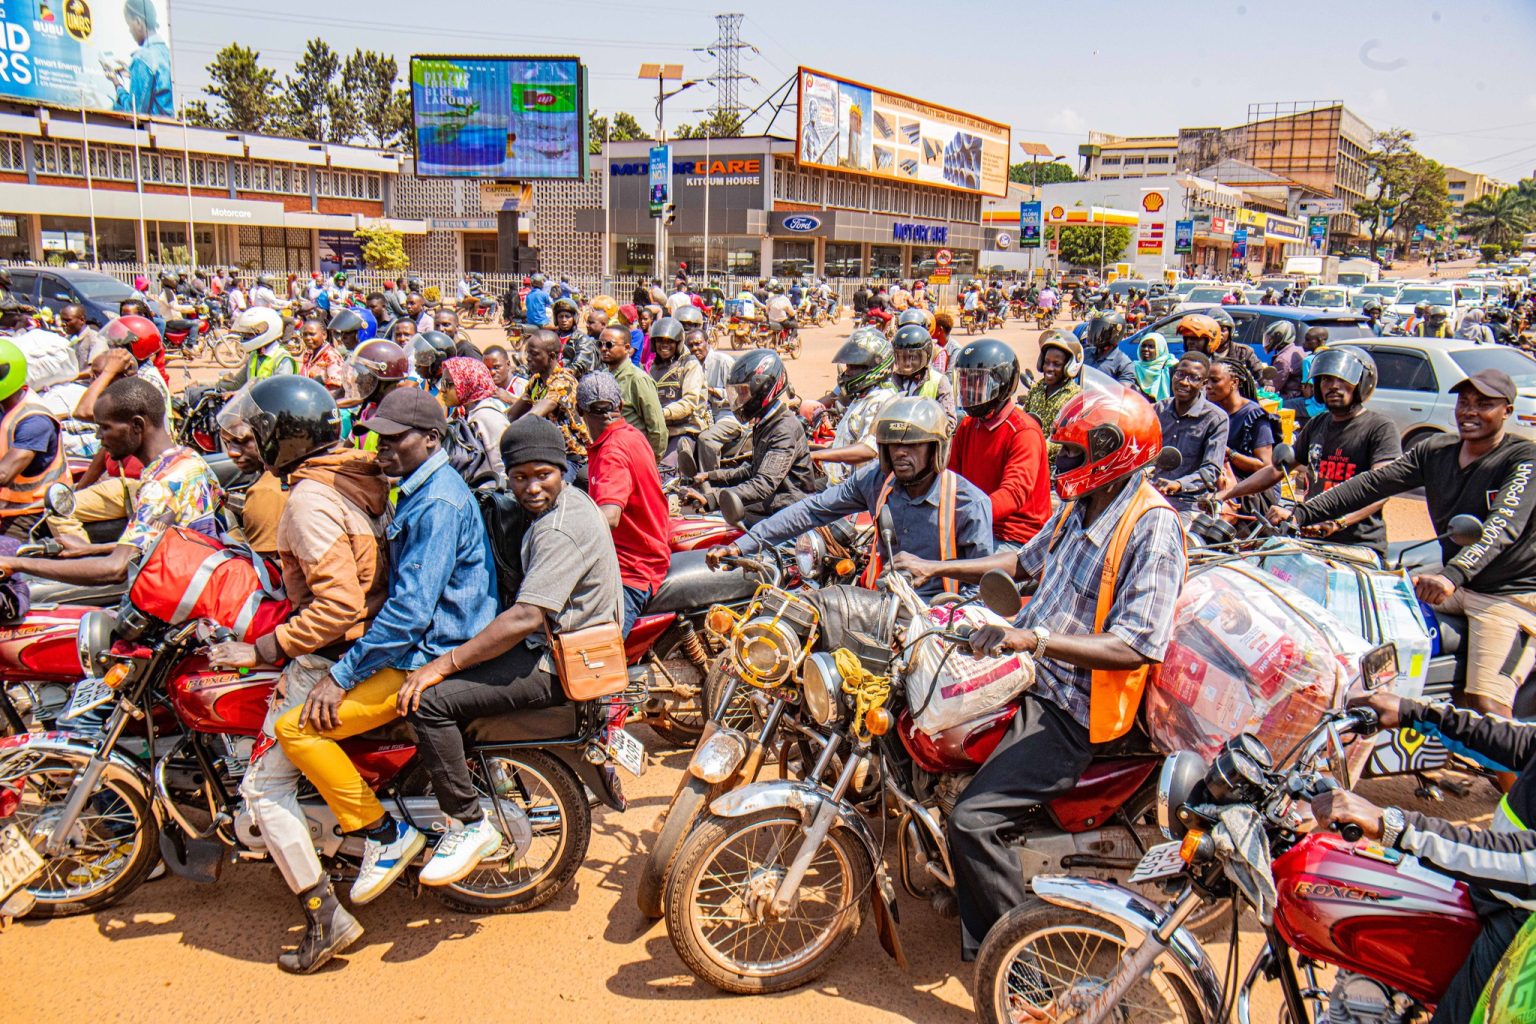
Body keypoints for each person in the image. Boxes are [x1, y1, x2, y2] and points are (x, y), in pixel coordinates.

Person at [889, 371, 1185, 959]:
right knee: (912, 719)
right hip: (1030, 672)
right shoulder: (1082, 504)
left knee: (974, 819)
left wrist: (1032, 639)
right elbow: (1022, 563)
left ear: (1110, 454)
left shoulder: (1150, 525)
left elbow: (1136, 645)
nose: (1062, 461)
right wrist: (934, 568)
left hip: (1075, 705)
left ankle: (1013, 957)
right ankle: (962, 883)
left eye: (1072, 451)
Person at [273, 387, 497, 906]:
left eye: (396, 439)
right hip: (422, 641)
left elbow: (410, 614)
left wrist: (341, 676)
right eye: (379, 436)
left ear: (431, 439)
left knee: (296, 731)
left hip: (429, 651)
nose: (382, 447)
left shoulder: (436, 501)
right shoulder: (417, 488)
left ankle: (383, 834)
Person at [205, 377, 389, 974]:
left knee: (262, 788)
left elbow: (337, 606)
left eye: (255, 436)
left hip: (327, 659)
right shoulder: (344, 476)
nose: (244, 447)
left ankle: (324, 916)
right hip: (359, 648)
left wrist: (262, 649)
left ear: (282, 437)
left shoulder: (309, 502)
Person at [392, 416, 620, 887]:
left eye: (543, 475)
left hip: (555, 663)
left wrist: (443, 664)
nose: (531, 487)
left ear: (563, 470)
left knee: (429, 702)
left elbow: (525, 617)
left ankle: (469, 823)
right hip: (557, 648)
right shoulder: (565, 507)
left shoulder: (559, 528)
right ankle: (486, 776)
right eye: (520, 477)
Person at [1275, 368, 1536, 718]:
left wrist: (1452, 575)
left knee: (1488, 706)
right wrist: (1302, 514)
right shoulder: (1436, 450)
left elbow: (1501, 527)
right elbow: (1372, 484)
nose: (1469, 412)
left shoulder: (1523, 459)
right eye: (1464, 402)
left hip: (1506, 594)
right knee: (1364, 625)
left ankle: (1516, 773)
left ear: (1506, 410)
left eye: (1484, 404)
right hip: (1455, 583)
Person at [1312, 688, 1536, 1024]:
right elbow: (1524, 744)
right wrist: (1413, 712)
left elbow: (1526, 864)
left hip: (1521, 919)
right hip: (1498, 889)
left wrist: (1394, 825)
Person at [708, 397, 993, 600]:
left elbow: (982, 586)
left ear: (936, 449)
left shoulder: (969, 504)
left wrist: (950, 617)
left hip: (935, 621)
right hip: (881, 603)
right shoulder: (877, 482)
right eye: (893, 446)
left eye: (913, 445)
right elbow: (811, 510)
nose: (901, 453)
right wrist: (743, 545)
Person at [0, 377, 219, 583]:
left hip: (174, 589)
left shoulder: (161, 486)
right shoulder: (189, 459)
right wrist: (91, 549)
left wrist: (16, 563)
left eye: (105, 427)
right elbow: (162, 543)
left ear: (137, 425)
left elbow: (117, 568)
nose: (98, 436)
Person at [1220, 348, 1400, 555]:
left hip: (1357, 544)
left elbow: (1383, 487)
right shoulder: (1318, 424)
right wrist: (1226, 494)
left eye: (1343, 380)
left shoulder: (1379, 427)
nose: (1333, 386)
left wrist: (1338, 523)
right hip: (1311, 538)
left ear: (1363, 384)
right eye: (1326, 380)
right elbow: (1276, 470)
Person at [576, 374, 670, 635]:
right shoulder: (632, 435)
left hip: (631, 571)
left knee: (597, 653)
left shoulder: (612, 452)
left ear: (579, 411)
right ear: (621, 404)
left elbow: (609, 515)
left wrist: (568, 529)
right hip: (638, 554)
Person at [682, 348, 819, 522]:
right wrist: (710, 476)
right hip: (771, 505)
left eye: (743, 393)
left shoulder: (783, 428)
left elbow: (764, 484)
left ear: (763, 388)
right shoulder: (765, 422)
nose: (739, 399)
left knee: (717, 529)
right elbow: (753, 470)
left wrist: (712, 499)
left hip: (790, 512)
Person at [948, 338, 1051, 548]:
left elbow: (1013, 494)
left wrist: (969, 513)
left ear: (1001, 384)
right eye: (965, 383)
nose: (969, 392)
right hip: (974, 525)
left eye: (978, 384)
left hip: (1014, 537)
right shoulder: (968, 425)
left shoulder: (1023, 432)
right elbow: (950, 479)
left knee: (966, 579)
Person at [812, 327, 898, 485]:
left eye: (854, 367)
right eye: (848, 366)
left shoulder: (881, 400)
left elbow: (868, 450)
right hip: (839, 482)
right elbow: (847, 441)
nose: (847, 372)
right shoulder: (861, 396)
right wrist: (811, 449)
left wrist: (818, 455)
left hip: (858, 490)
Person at [1151, 351, 1230, 521]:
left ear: (1204, 383)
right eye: (1180, 374)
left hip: (1187, 502)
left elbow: (1210, 472)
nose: (1184, 382)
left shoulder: (1216, 418)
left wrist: (1178, 485)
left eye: (1193, 378)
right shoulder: (1157, 410)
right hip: (1150, 494)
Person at [0, 339, 67, 537]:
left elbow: (4, 474)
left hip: (32, 513)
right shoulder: (6, 406)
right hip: (8, 506)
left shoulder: (34, 421)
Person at [214, 399, 285, 561]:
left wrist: (231, 533)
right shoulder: (293, 470)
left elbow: (267, 573)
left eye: (243, 441)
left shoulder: (265, 491)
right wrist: (231, 501)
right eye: (227, 443)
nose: (232, 452)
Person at [507, 330, 589, 470]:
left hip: (571, 456)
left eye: (534, 354)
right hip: (548, 451)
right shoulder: (537, 381)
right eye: (527, 353)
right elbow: (512, 415)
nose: (528, 358)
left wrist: (511, 432)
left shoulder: (563, 381)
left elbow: (532, 416)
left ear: (551, 356)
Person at [1208, 357, 1277, 509]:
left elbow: (1265, 467)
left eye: (1215, 380)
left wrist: (1229, 454)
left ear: (1234, 382)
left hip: (1247, 490)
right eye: (1206, 381)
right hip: (1216, 481)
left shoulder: (1254, 416)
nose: (1208, 386)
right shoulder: (1211, 412)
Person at [595, 326, 666, 461]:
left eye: (609, 345)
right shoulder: (602, 377)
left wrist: (649, 462)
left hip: (632, 455)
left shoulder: (638, 379)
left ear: (627, 348)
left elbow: (657, 428)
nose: (604, 349)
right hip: (608, 452)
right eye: (600, 344)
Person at [648, 317, 710, 471]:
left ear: (678, 343)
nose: (664, 345)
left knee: (665, 470)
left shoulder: (689, 364)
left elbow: (689, 403)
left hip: (687, 429)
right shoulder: (654, 369)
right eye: (660, 341)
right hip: (660, 430)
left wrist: (660, 414)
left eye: (669, 341)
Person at [441, 357, 511, 486]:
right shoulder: (464, 413)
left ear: (467, 382)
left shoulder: (487, 416)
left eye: (447, 384)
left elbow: (504, 468)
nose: (442, 390)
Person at [1022, 331, 1084, 469]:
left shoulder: (1076, 397)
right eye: (1047, 362)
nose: (1049, 368)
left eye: (1056, 364)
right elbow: (1023, 421)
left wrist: (1037, 447)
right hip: (1028, 461)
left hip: (1054, 471)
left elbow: (1069, 440)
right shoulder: (1037, 389)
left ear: (1068, 366)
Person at [109, 0, 173, 116]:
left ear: (138, 22)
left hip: (153, 131)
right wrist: (132, 73)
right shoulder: (168, 54)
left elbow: (134, 112)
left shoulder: (141, 59)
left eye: (129, 25)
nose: (129, 31)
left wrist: (117, 84)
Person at [890, 324, 956, 430]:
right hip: (893, 441)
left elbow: (949, 422)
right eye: (902, 357)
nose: (907, 363)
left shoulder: (938, 381)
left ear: (927, 355)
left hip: (924, 442)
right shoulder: (890, 381)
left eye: (913, 357)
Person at [221, 308, 296, 390]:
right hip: (252, 402)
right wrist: (218, 386)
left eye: (251, 333)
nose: (246, 336)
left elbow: (278, 391)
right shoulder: (254, 355)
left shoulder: (283, 360)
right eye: (246, 333)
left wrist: (245, 393)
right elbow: (238, 383)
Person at [687, 327, 736, 424]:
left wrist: (710, 390)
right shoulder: (690, 365)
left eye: (698, 344)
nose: (694, 348)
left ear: (707, 342)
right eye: (690, 346)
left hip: (725, 414)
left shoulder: (723, 361)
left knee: (706, 438)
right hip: (701, 416)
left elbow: (737, 395)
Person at [1207, 307, 1267, 382]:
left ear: (1230, 332)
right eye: (1215, 330)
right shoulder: (1203, 352)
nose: (1219, 334)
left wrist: (1267, 385)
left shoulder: (1244, 352)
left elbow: (1259, 372)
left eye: (1223, 330)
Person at [1081, 312, 1136, 386]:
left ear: (1116, 333)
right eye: (1094, 328)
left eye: (1101, 330)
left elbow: (1123, 391)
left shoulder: (1124, 364)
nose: (1096, 332)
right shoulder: (1085, 353)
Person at [1261, 320, 1305, 400]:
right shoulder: (1298, 349)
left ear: (1279, 338)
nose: (1268, 342)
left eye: (1270, 339)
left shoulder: (1282, 360)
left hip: (1290, 398)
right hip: (1299, 395)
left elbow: (1273, 386)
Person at [1131, 331, 1177, 402]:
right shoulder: (1134, 367)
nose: (1146, 349)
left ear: (1160, 349)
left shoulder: (1171, 366)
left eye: (1151, 346)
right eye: (1143, 346)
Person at [60, 304, 106, 374]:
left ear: (82, 320)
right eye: (62, 320)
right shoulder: (67, 340)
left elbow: (94, 368)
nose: (63, 324)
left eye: (67, 320)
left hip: (86, 383)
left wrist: (70, 378)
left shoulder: (95, 339)